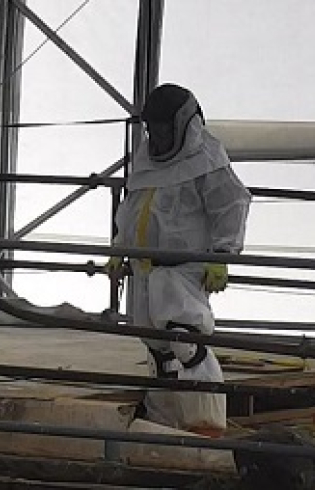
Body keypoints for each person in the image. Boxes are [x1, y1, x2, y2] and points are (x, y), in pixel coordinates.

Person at [111, 83, 251, 434]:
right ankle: (164, 423)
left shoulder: (206, 158)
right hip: (145, 270)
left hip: (183, 270)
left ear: (185, 125)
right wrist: (118, 248)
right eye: (152, 129)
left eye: (163, 129)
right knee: (158, 351)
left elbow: (231, 205)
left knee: (187, 342)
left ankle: (207, 424)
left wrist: (222, 255)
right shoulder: (146, 158)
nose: (157, 137)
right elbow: (133, 210)